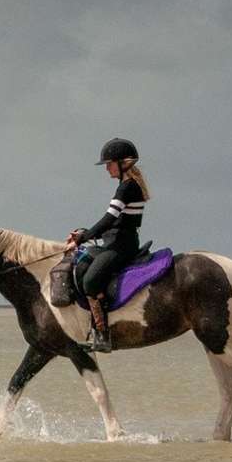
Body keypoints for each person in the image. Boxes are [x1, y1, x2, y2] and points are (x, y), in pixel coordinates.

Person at [64, 137, 150, 353]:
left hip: (122, 245)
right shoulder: (125, 186)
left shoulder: (127, 188)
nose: (107, 169)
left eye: (109, 164)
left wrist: (81, 239)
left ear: (124, 164)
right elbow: (111, 224)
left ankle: (103, 334)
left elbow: (109, 220)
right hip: (114, 241)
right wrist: (85, 233)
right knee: (81, 266)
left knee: (91, 281)